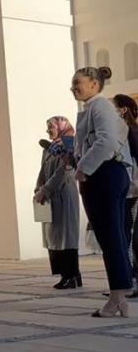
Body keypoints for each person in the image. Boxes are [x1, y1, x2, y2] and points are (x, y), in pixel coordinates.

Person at [72, 66, 132, 317]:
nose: (74, 87)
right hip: (107, 174)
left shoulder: (99, 106)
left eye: (78, 83)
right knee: (112, 237)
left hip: (103, 175)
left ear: (95, 84)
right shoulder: (95, 107)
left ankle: (117, 297)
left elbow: (106, 141)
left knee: (111, 238)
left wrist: (84, 167)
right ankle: (120, 296)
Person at [33, 116, 82, 289]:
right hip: (50, 196)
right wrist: (38, 189)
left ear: (60, 127)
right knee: (54, 238)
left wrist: (45, 189)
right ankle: (66, 275)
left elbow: (64, 172)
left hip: (64, 196)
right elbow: (43, 170)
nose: (48, 131)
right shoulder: (49, 147)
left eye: (51, 127)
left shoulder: (69, 145)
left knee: (66, 237)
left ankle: (72, 276)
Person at [112, 94, 138, 298]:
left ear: (122, 110)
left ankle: (130, 280)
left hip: (133, 188)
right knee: (124, 234)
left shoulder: (129, 131)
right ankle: (126, 281)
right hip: (127, 187)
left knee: (130, 237)